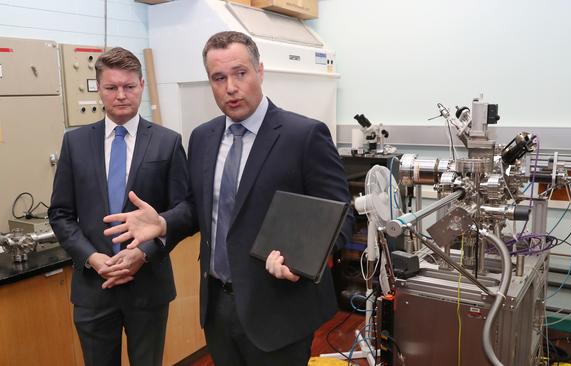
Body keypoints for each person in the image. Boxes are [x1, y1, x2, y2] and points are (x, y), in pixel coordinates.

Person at [104, 31, 354, 365]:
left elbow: (341, 214)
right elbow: (197, 209)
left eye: (240, 73)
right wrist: (164, 223)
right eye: (218, 78)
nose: (230, 88)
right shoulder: (203, 137)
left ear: (259, 71)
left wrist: (303, 259)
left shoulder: (303, 136)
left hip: (279, 308)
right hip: (218, 307)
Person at [48, 47, 190, 366]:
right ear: (98, 89)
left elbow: (185, 211)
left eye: (129, 86)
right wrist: (92, 258)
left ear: (142, 85)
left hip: (148, 286)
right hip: (93, 288)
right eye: (112, 87)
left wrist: (145, 252)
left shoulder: (167, 142)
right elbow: (60, 214)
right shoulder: (75, 143)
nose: (121, 95)